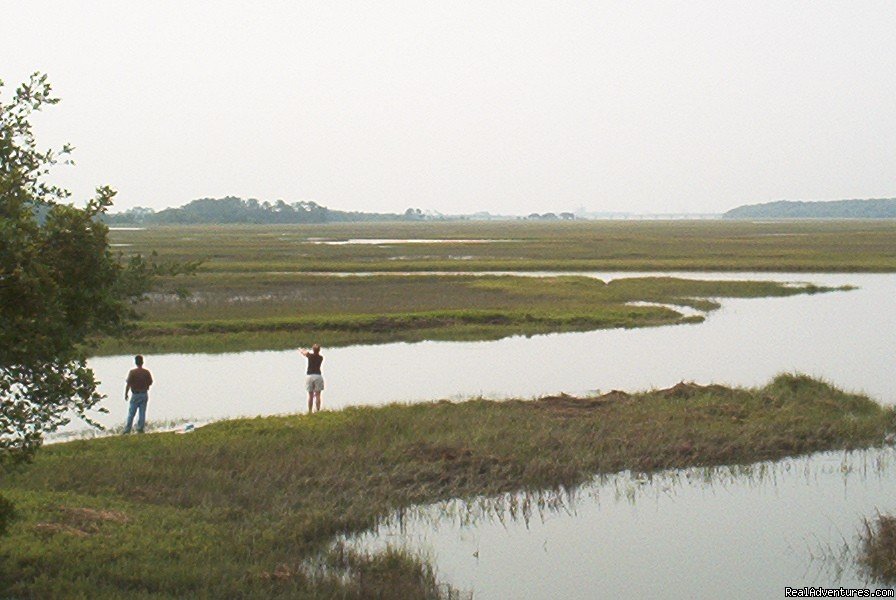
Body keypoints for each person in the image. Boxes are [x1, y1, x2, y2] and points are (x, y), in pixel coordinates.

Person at [124, 354, 153, 434]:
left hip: (135, 394)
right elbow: (150, 382)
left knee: (131, 413)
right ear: (142, 362)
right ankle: (140, 429)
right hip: (144, 394)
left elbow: (128, 384)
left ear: (135, 362)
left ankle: (127, 430)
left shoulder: (132, 372)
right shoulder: (146, 372)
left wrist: (126, 394)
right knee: (142, 413)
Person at [300, 344, 324, 413]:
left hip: (310, 376)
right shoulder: (321, 357)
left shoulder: (310, 356)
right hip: (318, 376)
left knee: (310, 396)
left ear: (313, 350)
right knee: (318, 395)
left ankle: (310, 411)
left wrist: (301, 349)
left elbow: (304, 353)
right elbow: (307, 353)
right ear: (319, 350)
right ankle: (318, 410)